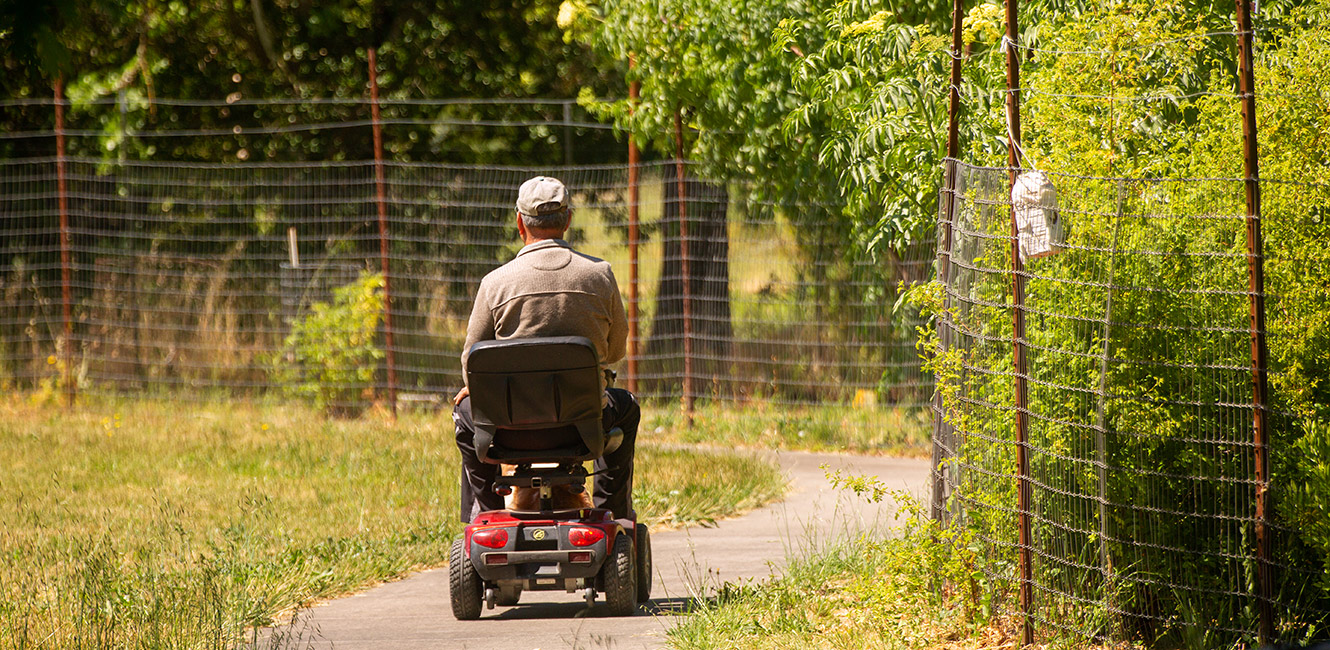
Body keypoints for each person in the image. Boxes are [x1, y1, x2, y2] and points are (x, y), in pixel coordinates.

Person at [451, 175, 640, 523]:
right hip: (583, 426)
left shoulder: (494, 283)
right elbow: (614, 353)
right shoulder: (600, 275)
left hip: (508, 430)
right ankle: (613, 512)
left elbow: (470, 363)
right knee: (626, 407)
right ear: (567, 220)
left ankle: (486, 513)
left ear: (520, 222)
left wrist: (475, 388)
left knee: (463, 413)